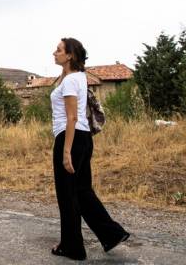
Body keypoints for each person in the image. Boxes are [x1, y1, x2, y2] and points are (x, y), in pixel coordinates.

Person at [50, 37, 129, 260]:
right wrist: (65, 70)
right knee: (83, 191)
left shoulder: (70, 81)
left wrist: (65, 152)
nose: (54, 53)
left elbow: (72, 116)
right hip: (84, 139)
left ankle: (72, 247)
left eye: (58, 50)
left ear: (70, 56)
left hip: (70, 138)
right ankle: (112, 233)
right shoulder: (77, 78)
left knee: (67, 195)